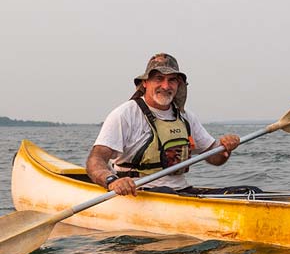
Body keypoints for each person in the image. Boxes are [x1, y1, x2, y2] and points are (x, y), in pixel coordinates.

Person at [85, 53, 243, 196]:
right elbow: (95, 160)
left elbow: (214, 158)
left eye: (172, 80)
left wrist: (225, 148)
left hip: (181, 191)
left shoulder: (185, 116)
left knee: (249, 191)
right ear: (145, 83)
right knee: (167, 192)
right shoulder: (125, 114)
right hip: (141, 192)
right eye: (159, 79)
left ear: (178, 85)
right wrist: (112, 181)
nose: (166, 86)